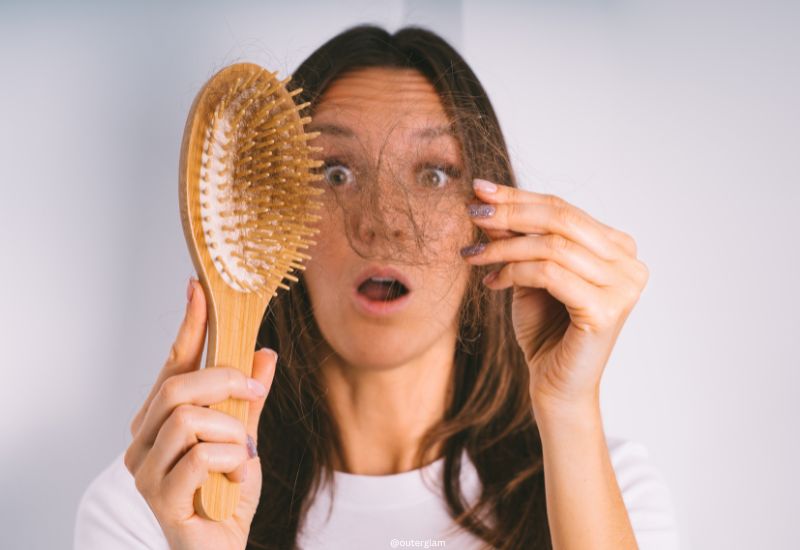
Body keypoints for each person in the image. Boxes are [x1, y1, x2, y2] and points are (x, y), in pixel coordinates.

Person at [74, 24, 679, 550]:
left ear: (492, 218)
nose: (383, 221)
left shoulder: (605, 487)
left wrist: (569, 409)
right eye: (336, 173)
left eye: (434, 174)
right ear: (273, 214)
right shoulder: (151, 508)